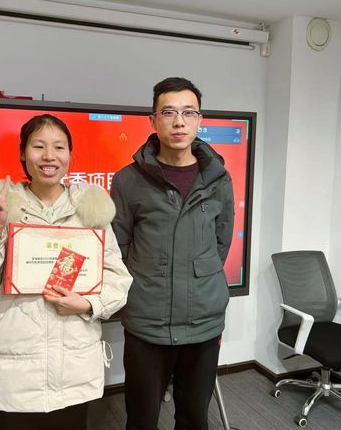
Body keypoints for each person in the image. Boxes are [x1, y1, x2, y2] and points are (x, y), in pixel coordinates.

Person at [0, 114, 132, 430]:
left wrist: (88, 304)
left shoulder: (90, 210)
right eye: (38, 146)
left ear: (70, 154)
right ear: (23, 153)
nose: (49, 156)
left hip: (73, 364)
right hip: (15, 368)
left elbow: (118, 277)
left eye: (59, 147)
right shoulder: (4, 205)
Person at [110, 77, 235, 430]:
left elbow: (220, 242)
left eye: (188, 112)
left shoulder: (219, 178)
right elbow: (118, 246)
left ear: (200, 119)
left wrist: (199, 277)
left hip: (203, 321)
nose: (179, 122)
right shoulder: (128, 180)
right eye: (168, 112)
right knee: (142, 419)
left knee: (195, 418)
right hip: (147, 322)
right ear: (153, 120)